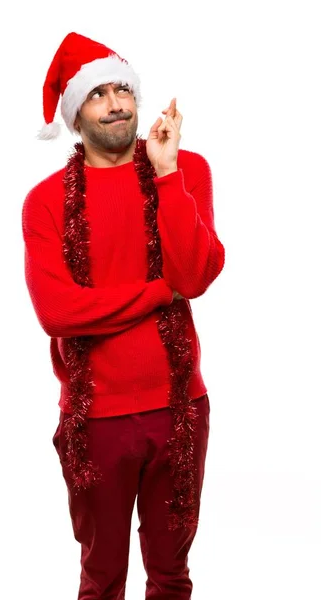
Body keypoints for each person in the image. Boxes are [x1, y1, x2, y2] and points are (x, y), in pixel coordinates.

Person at [22, 31, 225, 600]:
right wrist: (161, 292)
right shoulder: (44, 201)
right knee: (101, 576)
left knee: (170, 575)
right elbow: (58, 311)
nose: (116, 104)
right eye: (98, 94)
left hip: (180, 408)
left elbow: (194, 274)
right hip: (96, 419)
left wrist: (165, 174)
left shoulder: (186, 171)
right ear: (75, 112)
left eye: (123, 90)